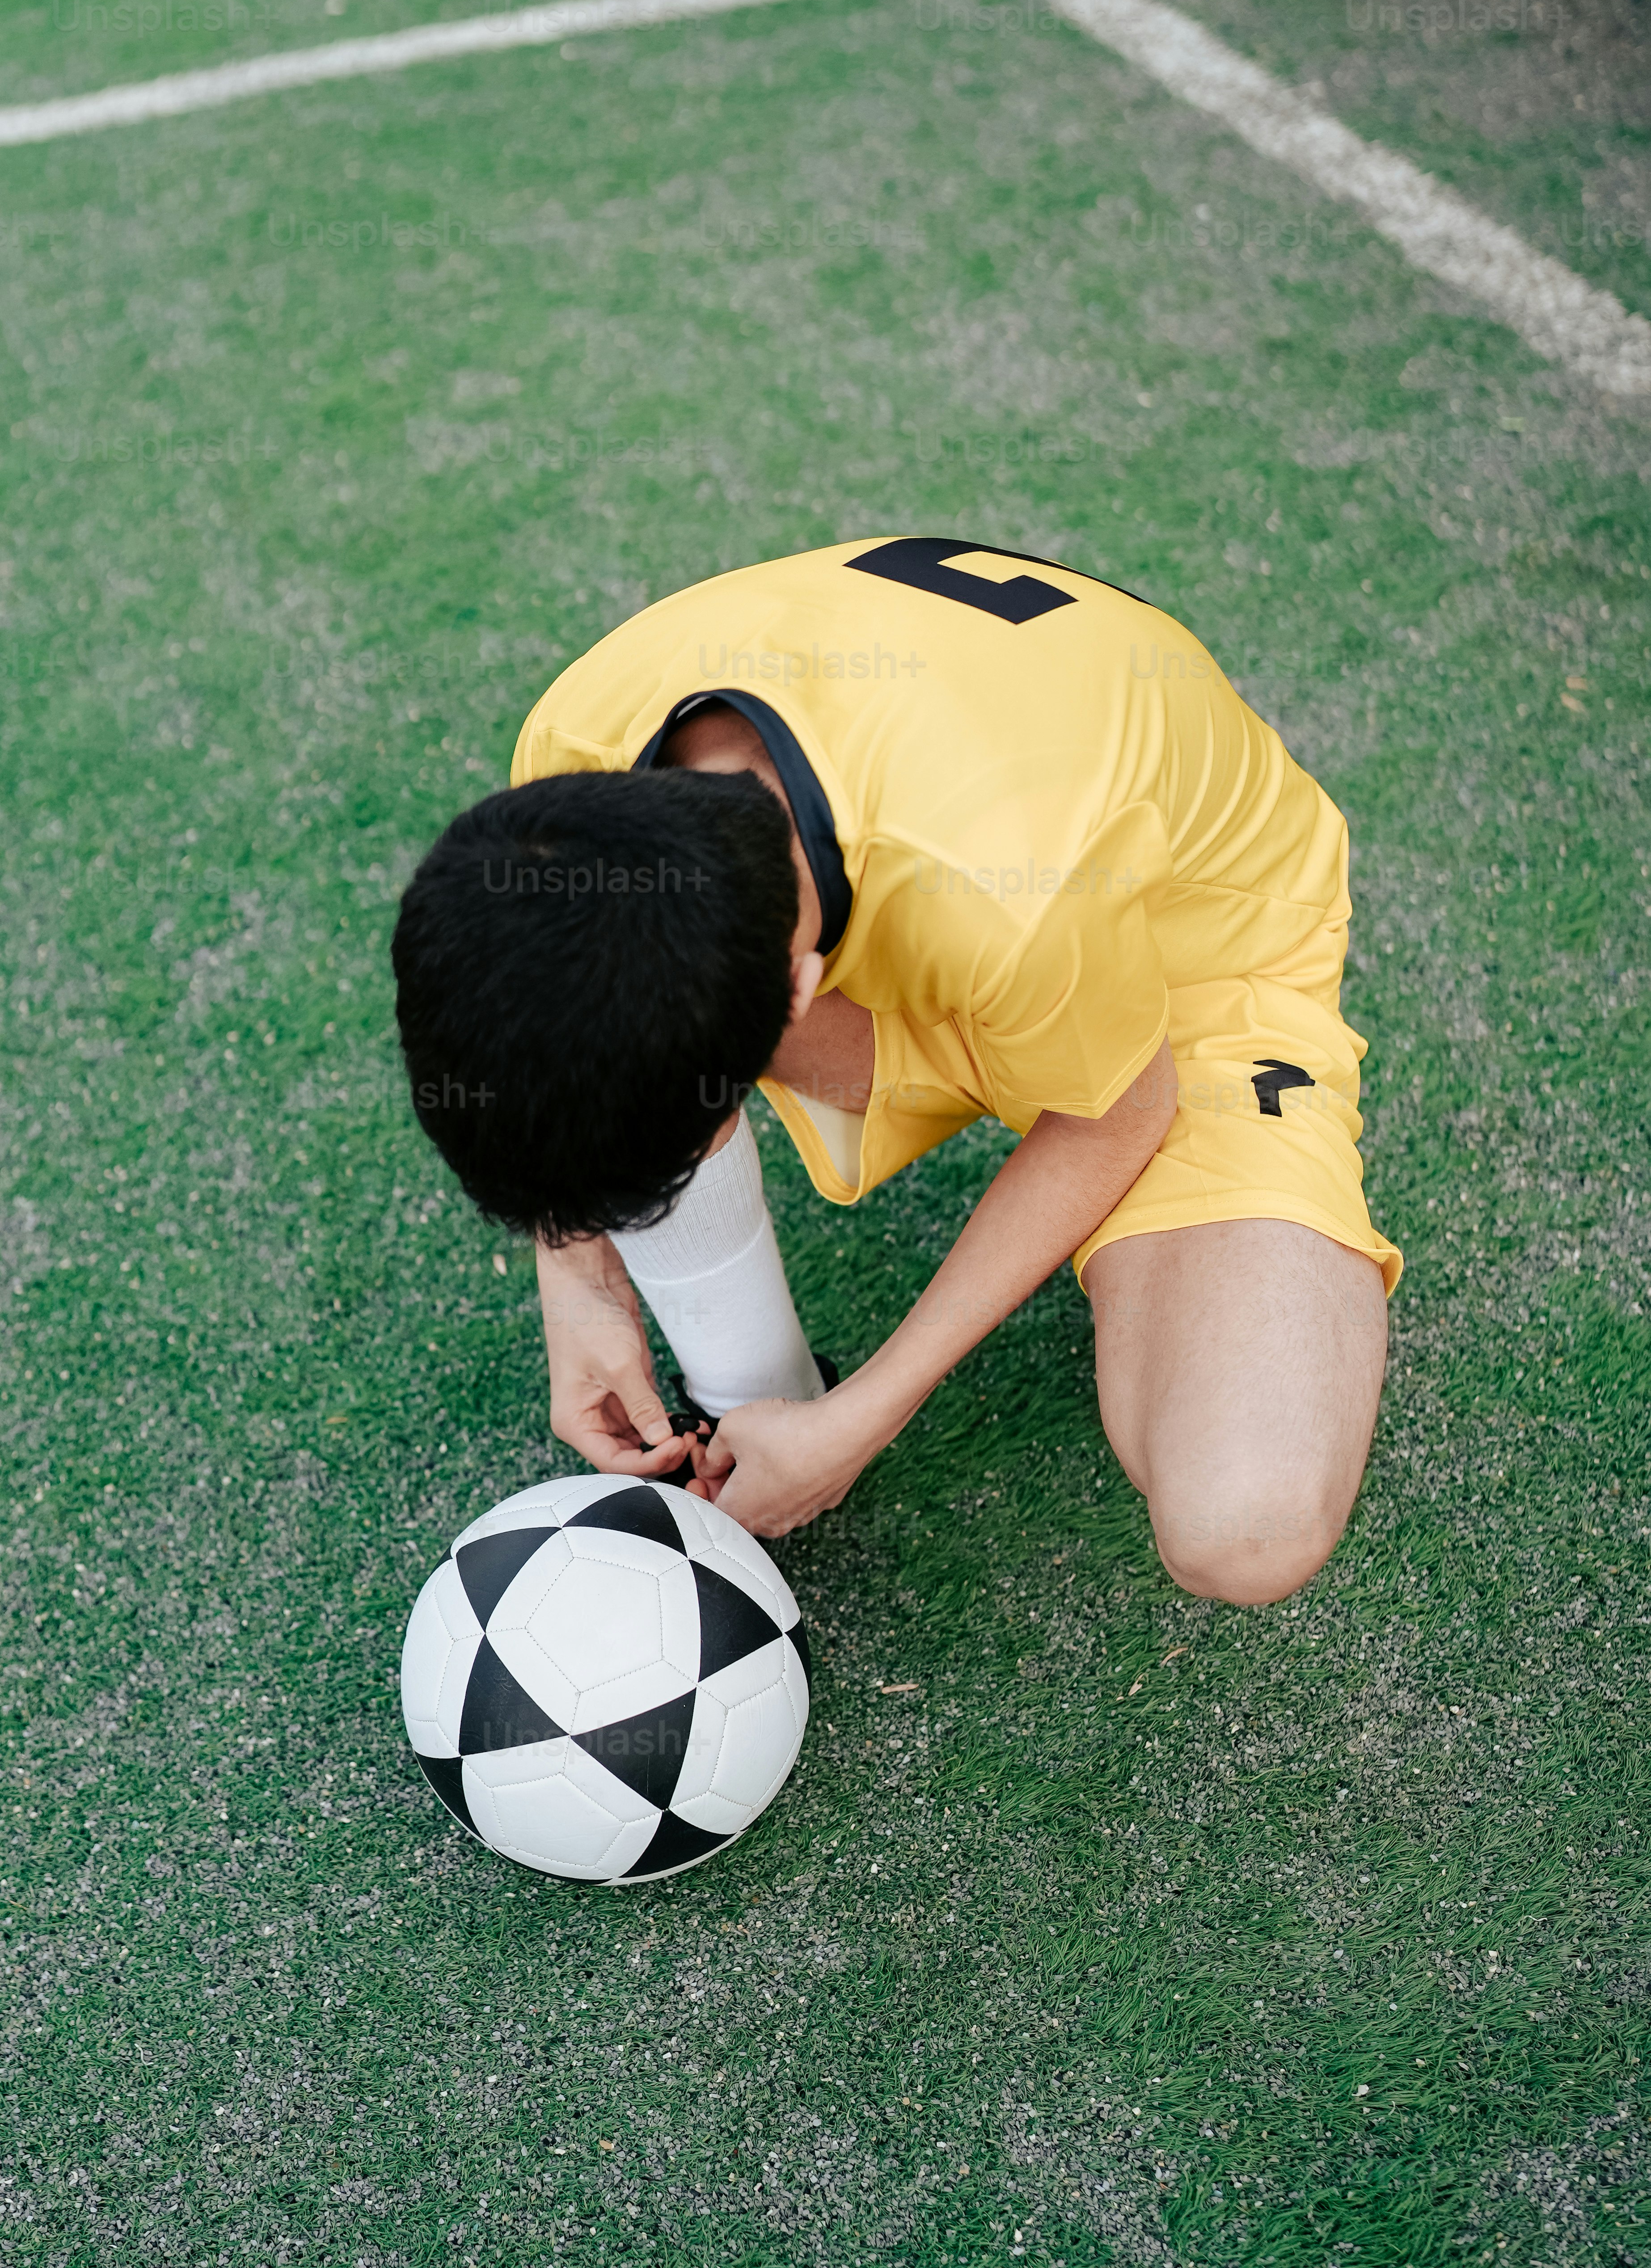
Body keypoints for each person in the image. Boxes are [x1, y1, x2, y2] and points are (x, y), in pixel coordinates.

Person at [391, 537, 1398, 1604]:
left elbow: (1117, 1108)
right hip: (972, 893)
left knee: (1244, 1528)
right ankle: (749, 1386)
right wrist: (580, 1278)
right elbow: (562, 1006)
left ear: (799, 1002)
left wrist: (859, 1418)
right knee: (635, 1031)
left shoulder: (1009, 886)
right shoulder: (573, 742)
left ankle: (819, 1388)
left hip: (1181, 954)